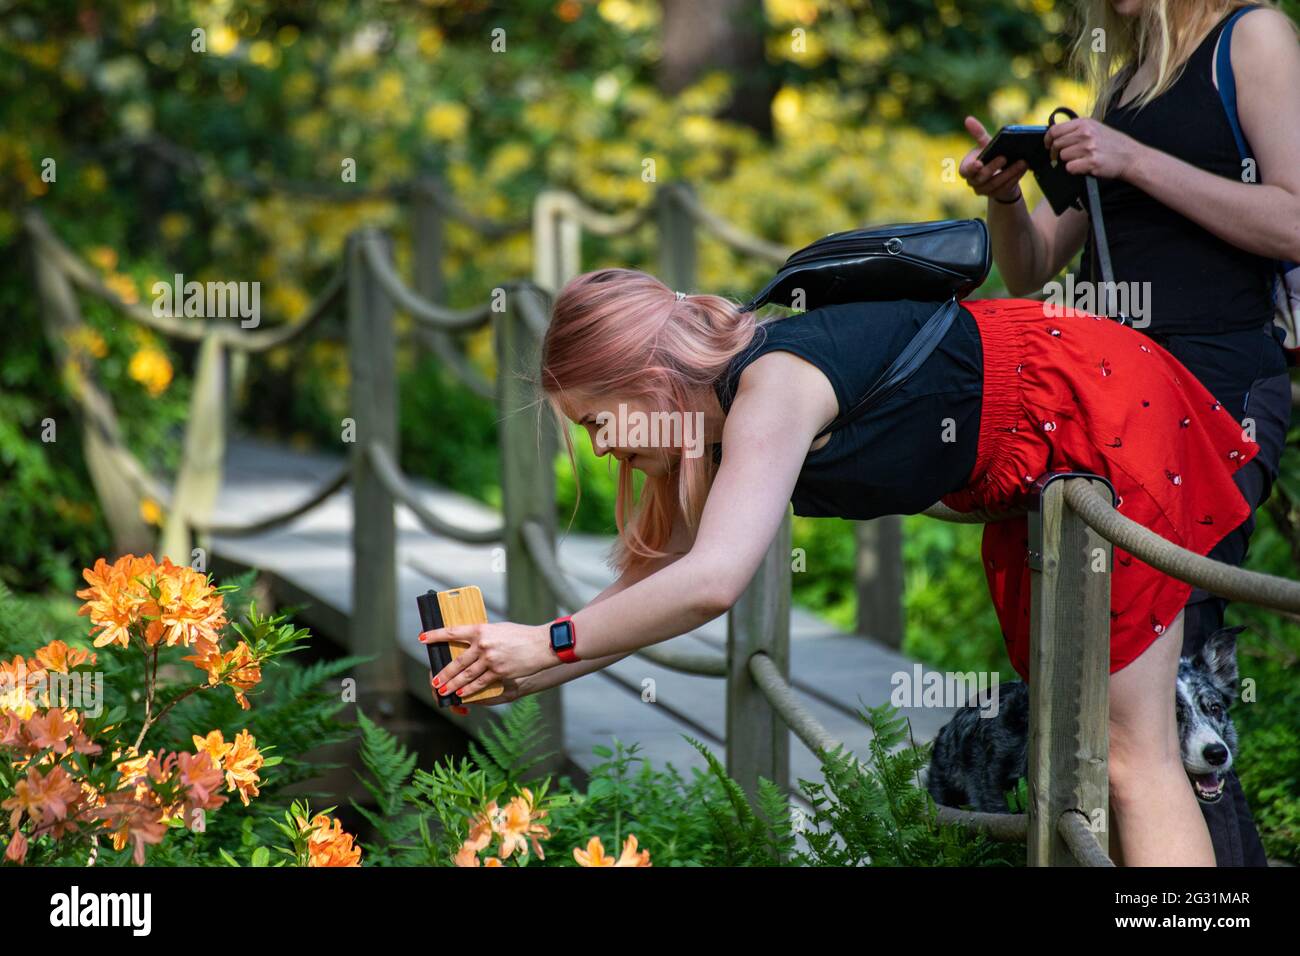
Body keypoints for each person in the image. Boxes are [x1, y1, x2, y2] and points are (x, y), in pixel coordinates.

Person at [420, 267, 1258, 866]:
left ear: (648, 381)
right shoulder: (710, 422)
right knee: (1081, 743)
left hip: (1096, 411)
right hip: (1033, 459)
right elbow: (656, 582)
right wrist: (532, 659)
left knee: (1130, 753)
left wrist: (552, 641)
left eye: (599, 423)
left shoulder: (773, 384)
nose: (602, 449)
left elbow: (712, 582)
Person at [957, 0, 1300, 865]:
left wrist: (1135, 162)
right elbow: (1033, 265)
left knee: (1168, 671)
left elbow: (1295, 220)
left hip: (1221, 386)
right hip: (1115, 400)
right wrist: (1006, 197)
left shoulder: (1250, 36)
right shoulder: (1124, 82)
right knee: (1115, 685)